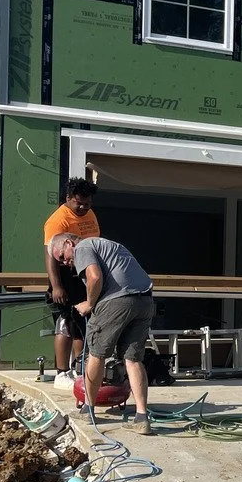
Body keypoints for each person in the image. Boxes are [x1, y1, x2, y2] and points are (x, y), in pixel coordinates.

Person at [48, 232, 155, 434]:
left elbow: (95, 276)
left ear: (69, 243)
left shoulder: (83, 247)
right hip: (145, 300)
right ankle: (142, 417)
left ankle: (88, 409)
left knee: (97, 354)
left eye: (62, 256)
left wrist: (89, 304)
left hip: (117, 301)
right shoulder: (108, 244)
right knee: (133, 359)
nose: (64, 262)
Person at [43, 178, 99, 379]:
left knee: (81, 323)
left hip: (83, 272)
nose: (83, 207)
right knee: (65, 321)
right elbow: (50, 255)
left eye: (87, 203)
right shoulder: (58, 220)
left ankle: (79, 367)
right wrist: (57, 286)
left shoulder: (89, 213)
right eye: (79, 203)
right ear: (68, 198)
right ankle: (61, 371)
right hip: (65, 273)